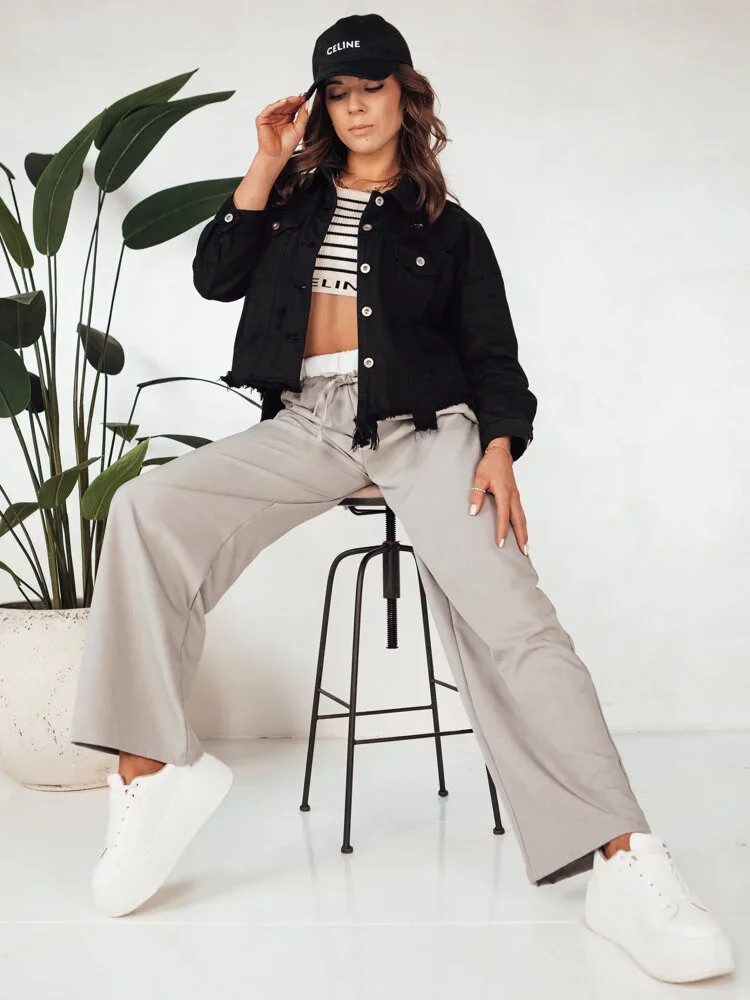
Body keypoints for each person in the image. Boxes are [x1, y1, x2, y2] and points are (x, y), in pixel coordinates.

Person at [69, 13, 733, 984]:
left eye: (370, 89)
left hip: (428, 430)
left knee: (520, 625)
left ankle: (624, 860)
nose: (355, 107)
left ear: (403, 96)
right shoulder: (288, 206)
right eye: (337, 94)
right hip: (308, 425)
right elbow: (216, 275)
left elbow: (495, 358)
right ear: (321, 108)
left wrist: (500, 446)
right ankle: (150, 771)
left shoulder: (449, 231)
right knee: (147, 509)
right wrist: (263, 160)